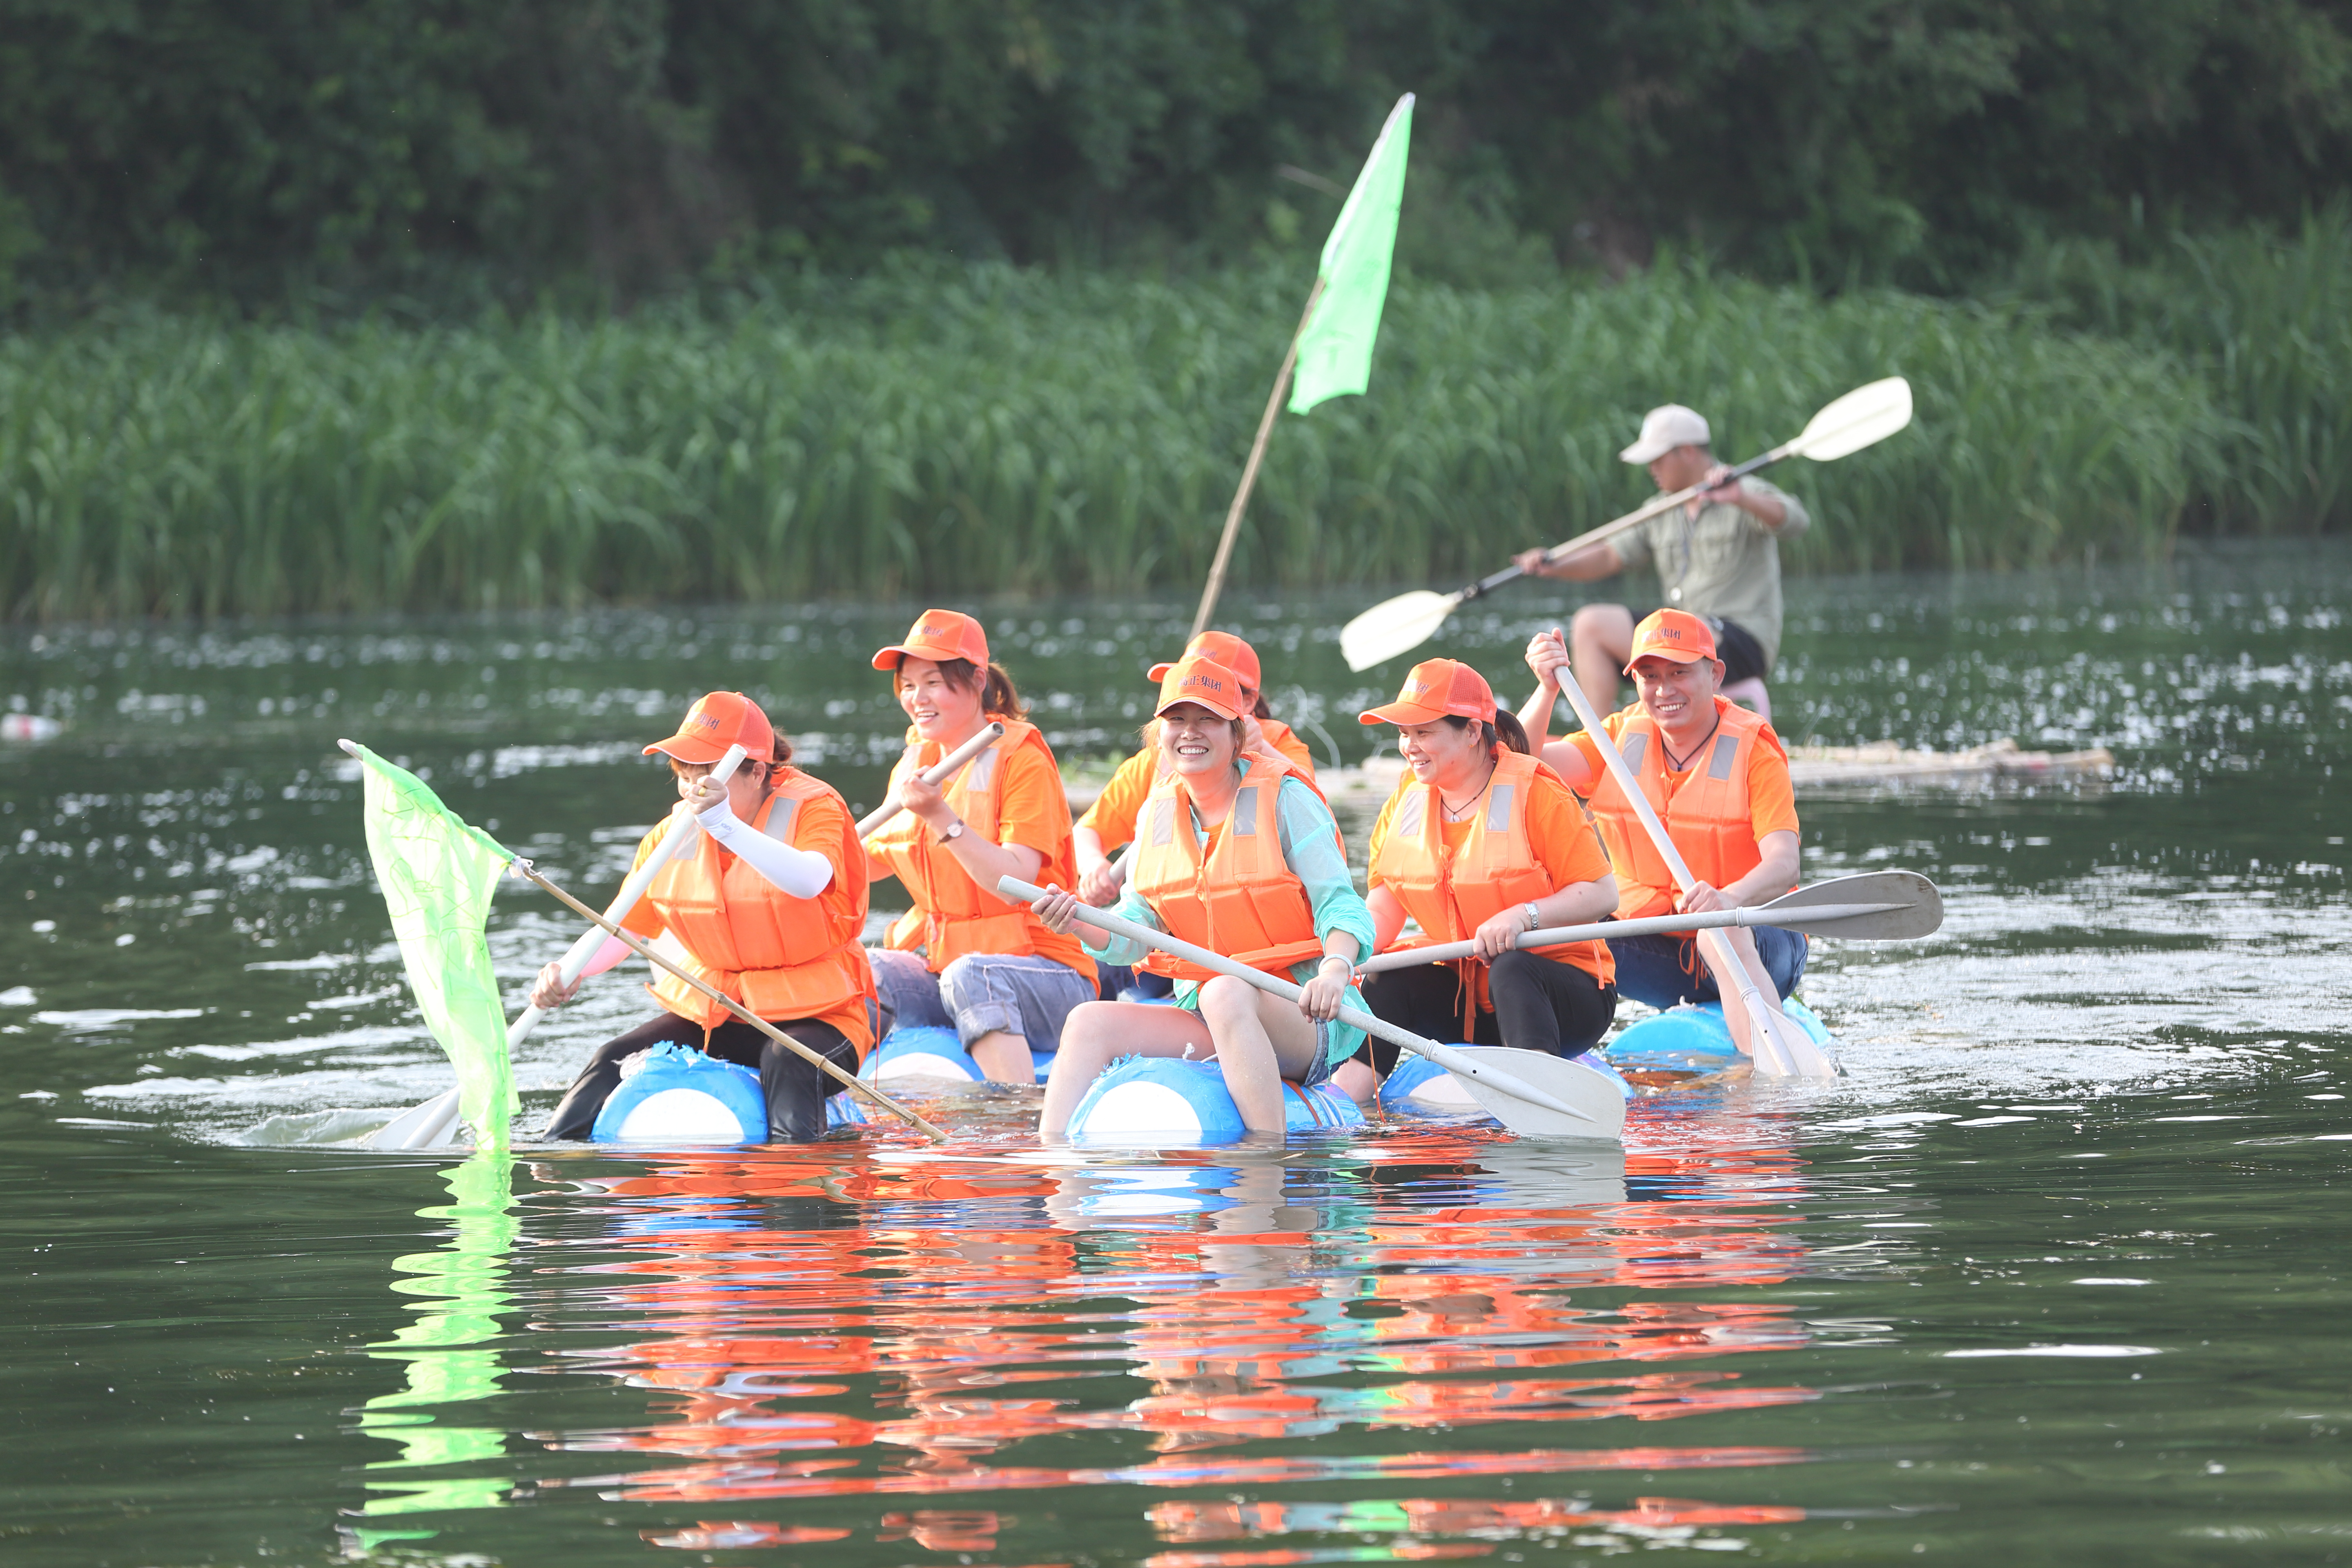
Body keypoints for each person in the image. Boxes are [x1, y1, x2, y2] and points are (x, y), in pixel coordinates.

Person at [1031, 654, 1374, 1139]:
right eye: (1177, 720)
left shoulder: (1287, 798)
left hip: (1303, 1012)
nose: (1190, 732)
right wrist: (1080, 920)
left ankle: (1265, 1168)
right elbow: (1137, 927)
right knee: (1088, 1021)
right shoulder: (1157, 813)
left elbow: (1341, 905)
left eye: (1207, 720)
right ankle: (1054, 1182)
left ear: (1237, 734)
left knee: (1225, 990)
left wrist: (1336, 971)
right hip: (1210, 1014)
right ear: (1159, 735)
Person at [540, 691, 876, 1143]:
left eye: (708, 773)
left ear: (757, 772)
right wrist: (568, 969)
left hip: (822, 1018)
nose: (694, 787)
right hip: (725, 1013)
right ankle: (555, 1175)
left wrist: (726, 826)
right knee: (611, 1059)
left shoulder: (816, 809)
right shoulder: (671, 833)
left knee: (787, 1060)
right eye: (685, 773)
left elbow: (810, 880)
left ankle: (798, 1201)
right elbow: (628, 927)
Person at [1516, 610, 1805, 1062]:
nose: (1664, 690)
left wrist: (1729, 901)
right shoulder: (1616, 736)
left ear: (1715, 674)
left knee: (1719, 934)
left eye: (1679, 673)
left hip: (1758, 939)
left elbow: (1785, 863)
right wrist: (1547, 688)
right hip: (1663, 951)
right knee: (1551, 934)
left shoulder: (1754, 748)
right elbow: (1519, 763)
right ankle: (1544, 1062)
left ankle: (1764, 1080)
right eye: (1650, 676)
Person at [1345, 659, 1619, 1099]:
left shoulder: (1538, 791)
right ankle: (1345, 1106)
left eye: (1424, 732)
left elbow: (1602, 894)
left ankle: (1540, 1101)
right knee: (1387, 976)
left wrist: (1523, 916)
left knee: (1511, 967)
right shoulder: (1405, 799)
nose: (1409, 746)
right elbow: (1384, 906)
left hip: (1563, 996)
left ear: (1473, 731)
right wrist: (1343, 953)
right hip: (1468, 1006)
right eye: (1404, 733)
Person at [863, 609, 1096, 1083]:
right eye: (908, 685)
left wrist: (941, 818)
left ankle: (1016, 1114)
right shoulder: (916, 759)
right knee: (863, 969)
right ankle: (849, 1105)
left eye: (932, 682)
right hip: (943, 966)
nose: (916, 698)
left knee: (973, 975)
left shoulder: (1022, 759)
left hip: (1046, 976)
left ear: (975, 679)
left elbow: (1015, 884)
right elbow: (868, 865)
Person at [1512, 403, 1808, 721]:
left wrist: (1740, 498)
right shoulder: (1658, 509)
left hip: (1742, 640)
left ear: (1688, 452)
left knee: (1688, 629)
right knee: (1590, 624)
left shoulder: (1743, 489)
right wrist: (1553, 564)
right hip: (1677, 636)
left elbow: (1795, 522)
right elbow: (1610, 556)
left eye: (1658, 458)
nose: (1652, 468)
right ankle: (1600, 747)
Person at [1071, 629, 1316, 909]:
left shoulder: (1276, 740)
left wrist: (1265, 751)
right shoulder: (1156, 759)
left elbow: (1314, 806)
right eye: (1187, 686)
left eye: (1212, 689)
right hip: (1168, 932)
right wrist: (1093, 868)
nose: (1191, 728)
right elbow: (1088, 831)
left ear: (1248, 702)